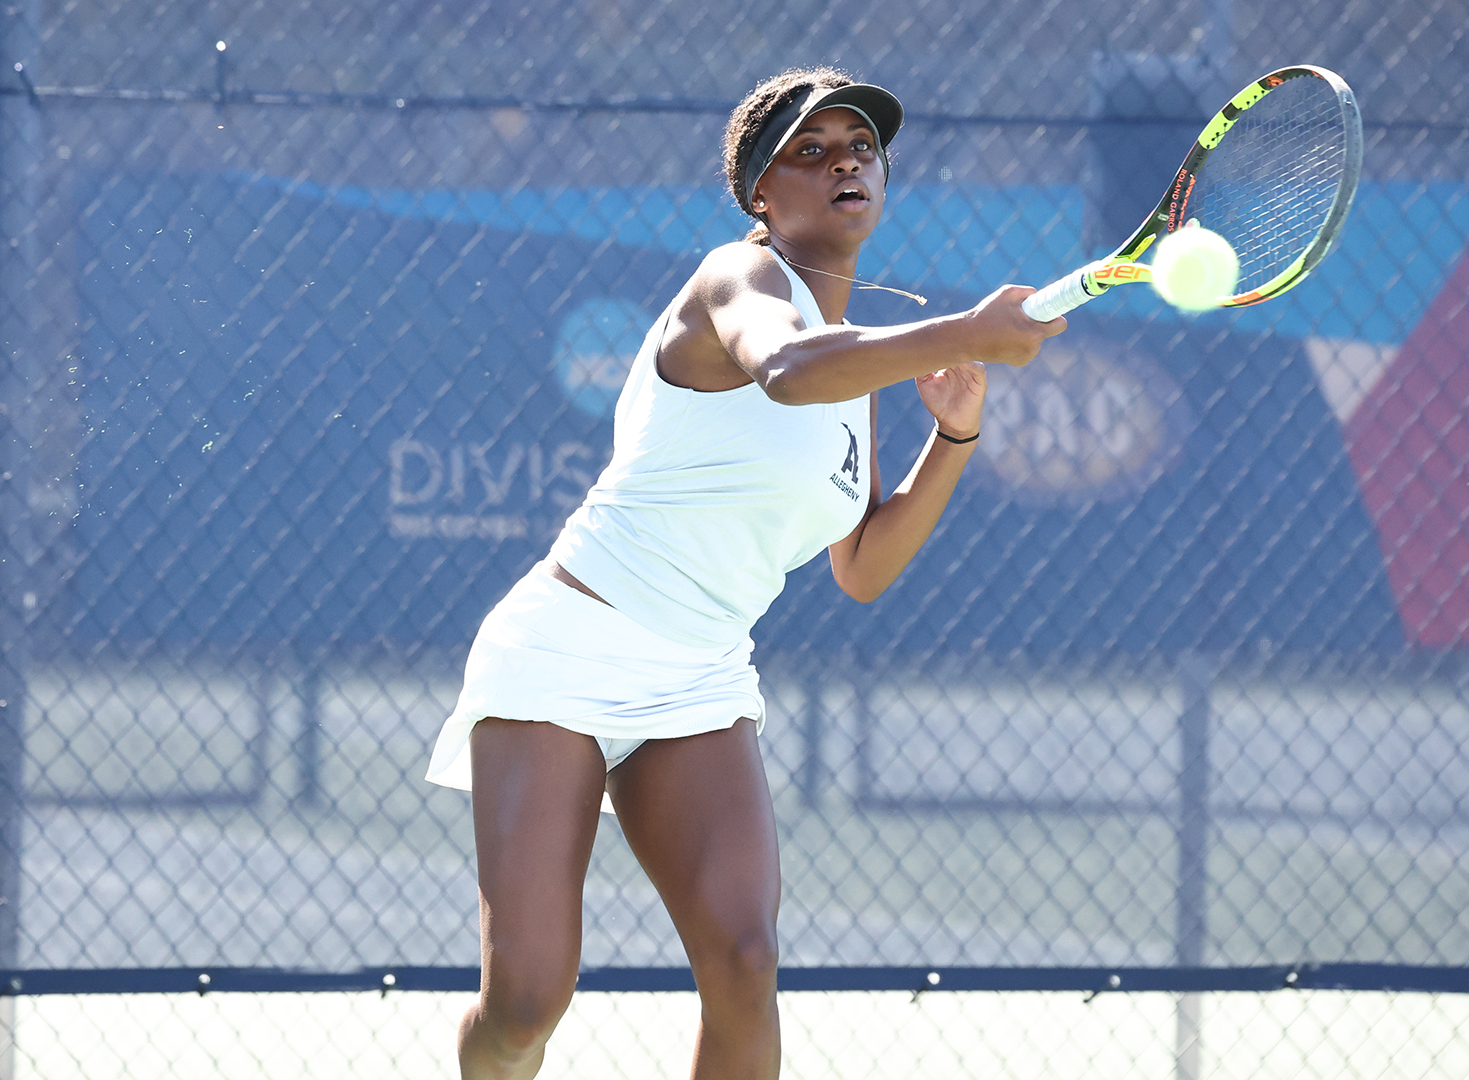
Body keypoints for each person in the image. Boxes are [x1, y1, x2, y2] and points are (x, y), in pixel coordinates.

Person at [424, 66, 1065, 1079]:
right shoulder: (740, 278)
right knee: (523, 1007)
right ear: (761, 196)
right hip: (566, 651)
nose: (845, 161)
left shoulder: (860, 371)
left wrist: (957, 432)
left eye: (861, 147)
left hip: (701, 679)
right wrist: (967, 331)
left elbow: (862, 566)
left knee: (746, 959)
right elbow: (788, 370)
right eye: (812, 150)